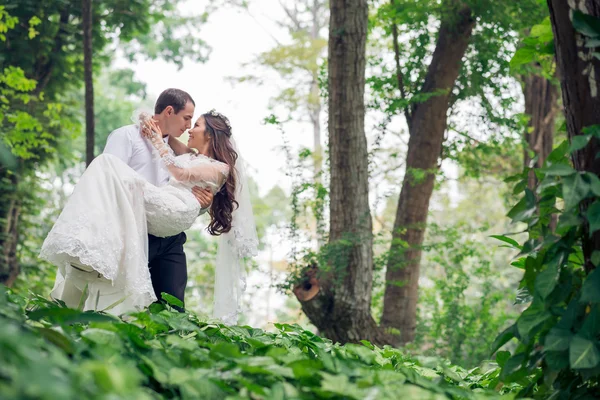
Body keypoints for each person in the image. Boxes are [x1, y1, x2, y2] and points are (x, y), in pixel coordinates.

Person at [39, 106, 258, 324]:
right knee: (106, 168)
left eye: (196, 124)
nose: (189, 129)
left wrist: (155, 140)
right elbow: (165, 132)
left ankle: (87, 249)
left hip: (176, 209)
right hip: (167, 204)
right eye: (189, 121)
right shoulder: (191, 155)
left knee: (107, 164)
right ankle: (89, 249)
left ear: (210, 134)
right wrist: (148, 119)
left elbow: (179, 172)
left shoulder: (220, 168)